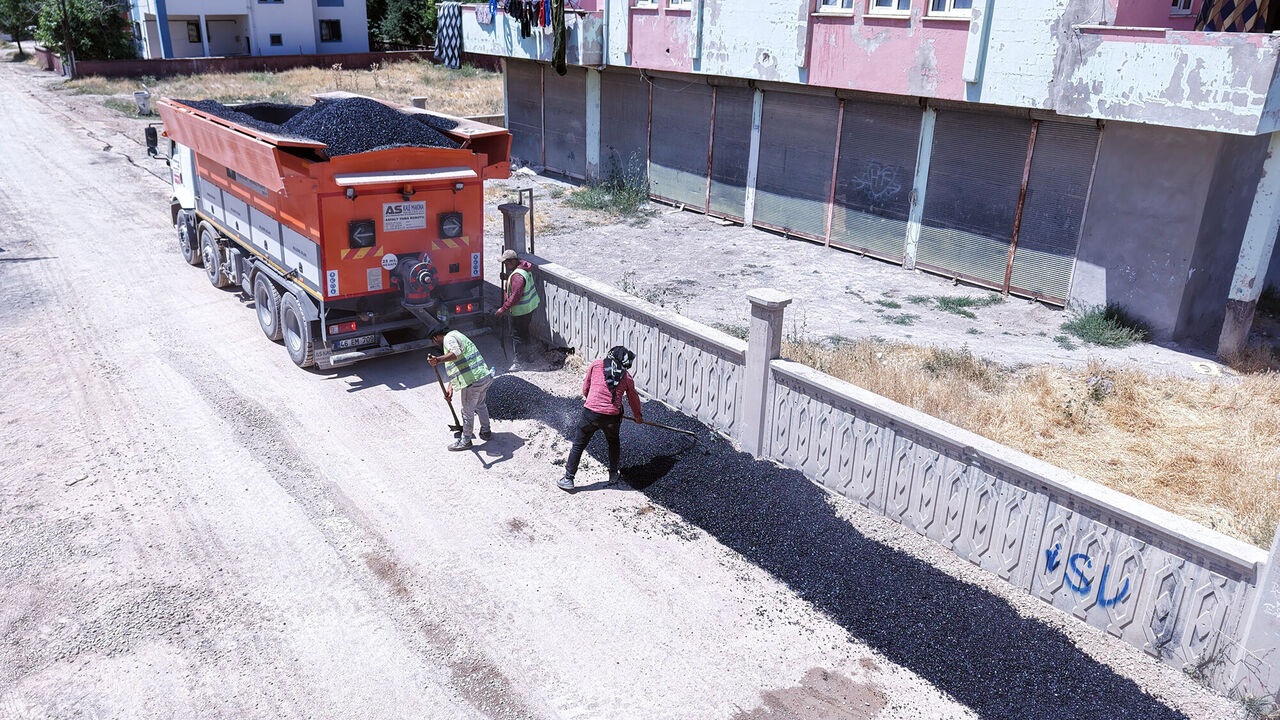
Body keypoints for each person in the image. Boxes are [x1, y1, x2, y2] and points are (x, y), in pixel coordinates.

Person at [557, 346, 643, 491]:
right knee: (613, 442)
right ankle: (613, 474)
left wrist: (592, 401)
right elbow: (633, 398)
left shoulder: (596, 365)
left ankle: (568, 478)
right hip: (612, 418)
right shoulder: (627, 377)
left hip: (590, 414)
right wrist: (638, 416)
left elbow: (586, 388)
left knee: (579, 444)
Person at [427, 324, 494, 451]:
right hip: (483, 376)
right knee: (480, 405)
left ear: (436, 338)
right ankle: (486, 432)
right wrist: (450, 387)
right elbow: (460, 363)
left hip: (472, 381)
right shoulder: (457, 335)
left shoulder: (448, 339)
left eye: (434, 341)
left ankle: (466, 441)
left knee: (467, 411)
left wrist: (438, 360)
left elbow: (456, 354)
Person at [494, 249, 540, 363]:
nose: (506, 265)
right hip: (529, 308)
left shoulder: (517, 276)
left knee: (517, 336)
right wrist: (507, 278)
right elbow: (517, 285)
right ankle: (529, 357)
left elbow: (515, 296)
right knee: (524, 333)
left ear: (514, 261)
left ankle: (520, 361)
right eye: (504, 264)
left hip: (520, 311)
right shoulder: (522, 269)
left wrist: (503, 309)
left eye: (507, 263)